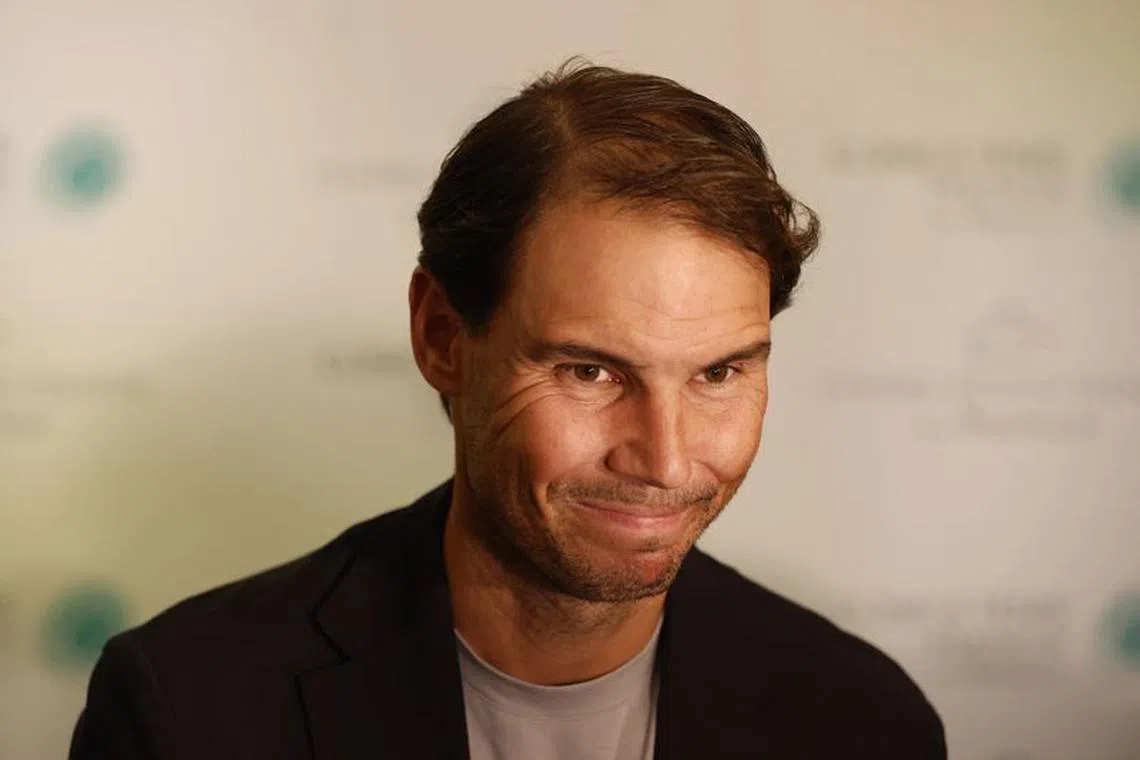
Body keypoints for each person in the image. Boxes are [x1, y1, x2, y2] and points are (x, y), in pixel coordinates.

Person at [70, 60, 947, 759]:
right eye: (592, 373)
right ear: (443, 337)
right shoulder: (188, 713)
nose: (668, 462)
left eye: (719, 373)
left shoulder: (862, 722)